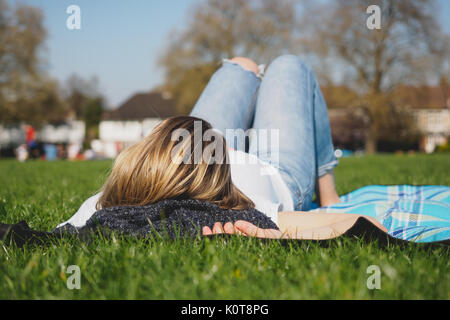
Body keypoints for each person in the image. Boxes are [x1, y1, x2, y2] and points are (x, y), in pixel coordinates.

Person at [56, 55, 387, 241]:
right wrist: (270, 235)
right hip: (275, 170)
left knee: (242, 65)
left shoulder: (112, 201)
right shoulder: (229, 213)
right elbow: (364, 226)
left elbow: (58, 234)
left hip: (195, 151)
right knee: (288, 66)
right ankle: (327, 193)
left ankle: (238, 85)